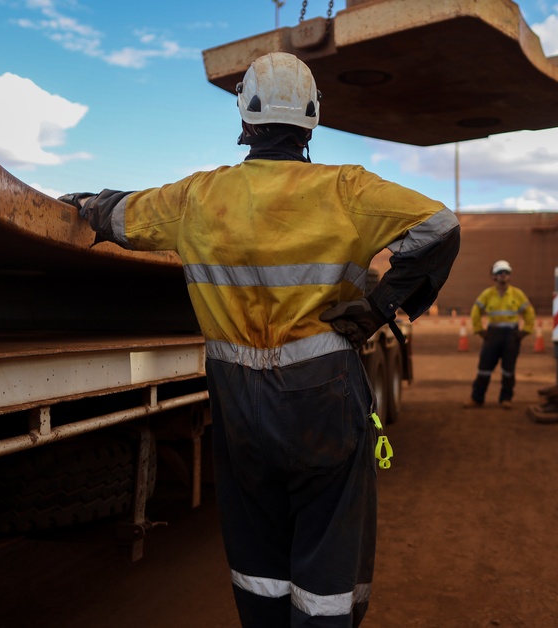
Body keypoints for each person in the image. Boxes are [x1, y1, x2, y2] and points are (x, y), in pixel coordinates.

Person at [58, 52, 459, 627]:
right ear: (312, 118)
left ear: (245, 119)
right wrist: (378, 308)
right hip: (323, 396)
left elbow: (118, 218)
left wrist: (89, 203)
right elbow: (440, 227)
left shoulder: (197, 197)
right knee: (327, 556)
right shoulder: (348, 189)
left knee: (257, 556)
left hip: (238, 402)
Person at [465, 260, 536, 409]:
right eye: (499, 273)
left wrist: (524, 332)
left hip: (511, 336)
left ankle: (506, 399)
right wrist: (479, 330)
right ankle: (477, 399)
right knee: (484, 368)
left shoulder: (517, 294)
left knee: (508, 369)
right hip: (492, 335)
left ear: (509, 276)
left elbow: (529, 312)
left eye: (506, 273)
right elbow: (475, 311)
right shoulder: (487, 294)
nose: (503, 275)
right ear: (494, 277)